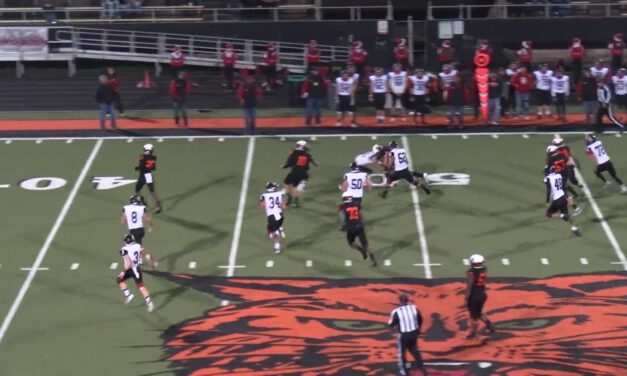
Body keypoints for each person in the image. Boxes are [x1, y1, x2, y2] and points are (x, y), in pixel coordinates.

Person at [387, 293, 427, 376]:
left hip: (404, 335)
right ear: (408, 300)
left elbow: (391, 324)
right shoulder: (414, 308)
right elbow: (420, 319)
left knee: (402, 353)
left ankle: (404, 372)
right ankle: (421, 367)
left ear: (400, 301)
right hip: (414, 333)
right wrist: (418, 328)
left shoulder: (397, 311)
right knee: (414, 349)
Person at [116, 234, 154, 312]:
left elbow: (128, 263)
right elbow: (143, 254)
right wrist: (150, 264)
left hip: (129, 269)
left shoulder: (124, 250)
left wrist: (123, 272)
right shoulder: (137, 245)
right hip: (136, 269)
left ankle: (128, 294)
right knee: (141, 287)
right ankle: (150, 303)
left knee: (120, 279)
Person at [464, 254, 496, 339]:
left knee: (473, 316)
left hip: (474, 296)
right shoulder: (484, 269)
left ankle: (476, 335)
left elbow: (470, 285)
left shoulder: (472, 272)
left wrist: (466, 296)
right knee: (479, 311)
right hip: (482, 294)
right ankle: (490, 325)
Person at [120, 194, 156, 269]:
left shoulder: (126, 208)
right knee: (136, 244)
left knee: (138, 247)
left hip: (133, 231)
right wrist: (150, 226)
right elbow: (148, 219)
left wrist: (125, 217)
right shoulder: (141, 208)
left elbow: (122, 221)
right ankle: (140, 259)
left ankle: (149, 258)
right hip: (141, 230)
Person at [544, 166, 582, 235]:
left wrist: (547, 201)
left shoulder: (548, 179)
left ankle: (562, 215)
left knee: (549, 214)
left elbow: (549, 190)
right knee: (566, 214)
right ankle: (574, 228)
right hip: (563, 197)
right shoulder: (559, 175)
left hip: (557, 200)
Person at [340, 195, 376, 266]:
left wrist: (344, 226)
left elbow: (342, 218)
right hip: (360, 226)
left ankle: (361, 250)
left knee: (351, 242)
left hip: (351, 228)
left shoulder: (343, 207)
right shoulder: (356, 205)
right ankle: (373, 259)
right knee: (366, 244)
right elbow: (359, 214)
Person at [282, 140, 318, 207]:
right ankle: (295, 202)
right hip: (303, 173)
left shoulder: (293, 153)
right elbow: (316, 163)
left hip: (294, 172)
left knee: (286, 184)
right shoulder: (308, 154)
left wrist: (283, 166)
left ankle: (289, 199)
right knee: (295, 187)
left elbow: (288, 164)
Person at [259, 182, 286, 254]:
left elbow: (262, 206)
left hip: (272, 217)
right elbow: (284, 206)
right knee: (270, 228)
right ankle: (278, 229)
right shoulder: (280, 194)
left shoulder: (264, 196)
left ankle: (277, 247)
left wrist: (267, 209)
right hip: (280, 216)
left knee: (275, 233)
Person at [135, 143, 162, 213]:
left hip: (143, 175)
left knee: (137, 190)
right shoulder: (154, 157)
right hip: (149, 175)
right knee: (152, 191)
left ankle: (143, 203)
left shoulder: (141, 156)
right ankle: (158, 205)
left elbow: (141, 166)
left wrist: (137, 168)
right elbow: (153, 168)